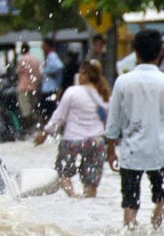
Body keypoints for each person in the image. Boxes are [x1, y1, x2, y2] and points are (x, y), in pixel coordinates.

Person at [105, 29, 164, 229]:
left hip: (131, 153)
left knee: (130, 204)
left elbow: (113, 121)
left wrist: (111, 149)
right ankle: (155, 231)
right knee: (162, 199)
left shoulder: (122, 82)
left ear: (136, 53)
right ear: (159, 54)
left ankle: (131, 235)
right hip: (159, 153)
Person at [34, 60, 111, 198]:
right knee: (91, 184)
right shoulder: (104, 95)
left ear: (85, 75)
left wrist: (45, 132)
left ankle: (73, 198)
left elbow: (59, 116)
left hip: (72, 141)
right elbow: (109, 123)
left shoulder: (72, 92)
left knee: (63, 175)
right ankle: (87, 205)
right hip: (96, 142)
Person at [15, 44, 41, 128]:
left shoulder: (22, 60)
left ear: (22, 50)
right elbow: (39, 74)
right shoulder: (36, 60)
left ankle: (28, 129)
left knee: (26, 111)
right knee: (33, 109)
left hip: (23, 88)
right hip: (34, 87)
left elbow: (17, 72)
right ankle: (35, 127)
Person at [38, 38, 64, 120]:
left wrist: (49, 72)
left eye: (43, 44)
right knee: (46, 112)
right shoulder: (49, 56)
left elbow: (59, 66)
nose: (41, 46)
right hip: (48, 89)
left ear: (47, 45)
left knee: (48, 113)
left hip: (50, 89)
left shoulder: (52, 56)